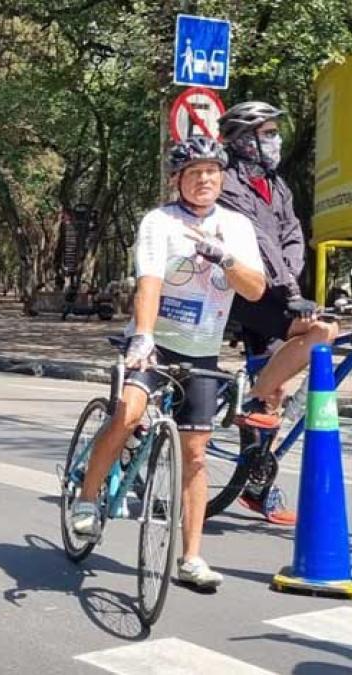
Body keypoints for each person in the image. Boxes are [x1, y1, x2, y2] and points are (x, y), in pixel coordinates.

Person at [70, 136, 267, 589]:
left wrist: (224, 256)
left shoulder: (235, 225)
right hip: (156, 345)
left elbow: (254, 288)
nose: (204, 179)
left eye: (211, 172)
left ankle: (191, 558)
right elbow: (151, 283)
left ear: (222, 177)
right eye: (194, 172)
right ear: (177, 179)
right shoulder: (160, 222)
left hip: (203, 351)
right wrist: (142, 336)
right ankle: (86, 498)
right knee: (129, 412)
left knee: (195, 454)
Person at [217, 101, 337, 523]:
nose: (274, 141)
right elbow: (256, 242)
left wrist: (292, 280)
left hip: (278, 294)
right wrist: (288, 289)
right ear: (243, 140)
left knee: (278, 390)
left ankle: (257, 486)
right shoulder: (227, 183)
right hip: (245, 295)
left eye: (274, 132)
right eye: (266, 133)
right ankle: (250, 399)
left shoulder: (276, 184)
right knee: (321, 332)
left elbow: (290, 235)